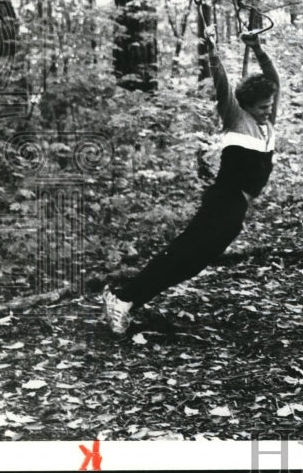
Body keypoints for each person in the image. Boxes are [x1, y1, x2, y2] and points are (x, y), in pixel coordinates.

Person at [102, 30, 279, 334]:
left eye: (269, 106)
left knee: (192, 263)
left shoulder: (267, 124)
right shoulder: (237, 117)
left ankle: (126, 296)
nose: (267, 112)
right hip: (223, 199)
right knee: (183, 254)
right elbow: (223, 86)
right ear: (247, 105)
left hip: (236, 207)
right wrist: (213, 52)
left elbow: (274, 81)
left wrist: (258, 49)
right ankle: (123, 298)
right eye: (262, 107)